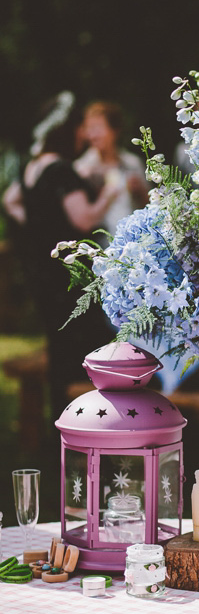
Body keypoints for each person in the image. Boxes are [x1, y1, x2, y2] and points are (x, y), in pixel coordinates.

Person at [2, 92, 120, 429]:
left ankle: (62, 425)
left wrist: (40, 225)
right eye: (78, 127)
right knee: (83, 348)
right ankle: (89, 426)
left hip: (43, 273)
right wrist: (109, 195)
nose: (83, 134)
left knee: (59, 348)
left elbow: (12, 202)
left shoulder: (31, 167)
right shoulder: (61, 170)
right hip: (69, 277)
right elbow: (83, 219)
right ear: (64, 131)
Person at [74, 101, 149, 236]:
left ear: (115, 130)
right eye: (89, 129)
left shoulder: (132, 163)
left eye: (98, 128)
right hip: (98, 244)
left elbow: (150, 206)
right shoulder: (81, 168)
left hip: (136, 241)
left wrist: (140, 192)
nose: (93, 135)